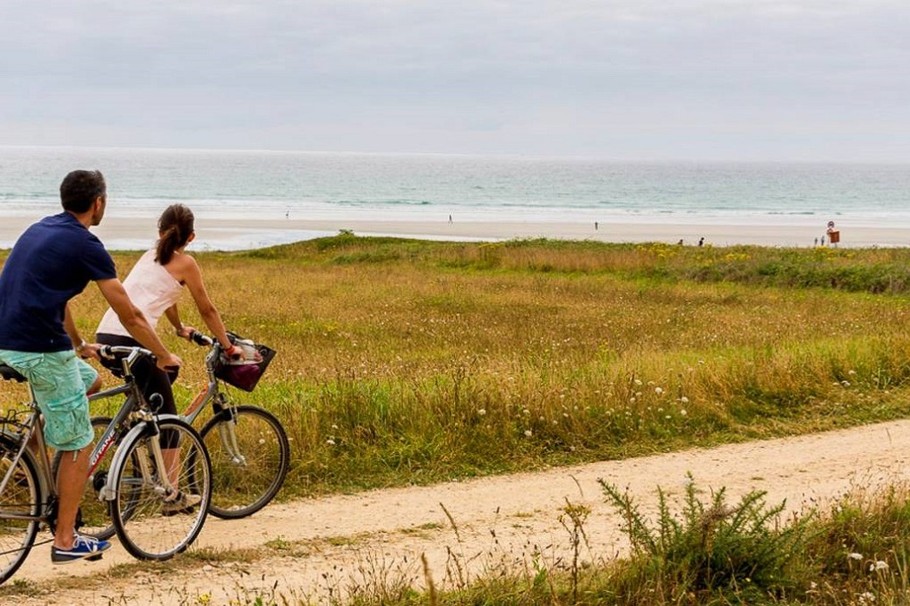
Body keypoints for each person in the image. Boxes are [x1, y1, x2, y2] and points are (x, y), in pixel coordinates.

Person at [0, 170, 182, 564]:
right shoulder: (87, 245)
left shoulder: (40, 229)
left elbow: (56, 297)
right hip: (40, 349)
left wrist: (82, 344)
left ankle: (34, 452)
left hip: (8, 342)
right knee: (80, 442)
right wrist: (164, 355)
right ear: (98, 203)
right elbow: (131, 315)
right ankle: (65, 539)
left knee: (92, 378)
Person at [95, 203, 243, 512]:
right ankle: (171, 495)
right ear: (191, 236)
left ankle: (141, 442)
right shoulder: (186, 263)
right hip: (133, 340)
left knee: (154, 398)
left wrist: (178, 328)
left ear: (160, 231)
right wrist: (228, 346)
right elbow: (207, 309)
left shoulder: (148, 256)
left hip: (107, 336)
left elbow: (164, 295)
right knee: (171, 420)